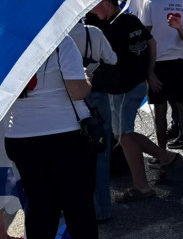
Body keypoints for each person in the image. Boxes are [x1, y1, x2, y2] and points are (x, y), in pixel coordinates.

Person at [90, 0, 183, 203]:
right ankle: (164, 158)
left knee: (124, 135)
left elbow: (107, 58)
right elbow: (151, 43)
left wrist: (149, 73)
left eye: (94, 6)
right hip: (137, 83)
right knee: (123, 134)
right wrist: (149, 72)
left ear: (105, 3)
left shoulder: (111, 27)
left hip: (123, 88)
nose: (92, 11)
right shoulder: (130, 19)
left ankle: (144, 182)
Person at [4, 35, 98, 239]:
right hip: (64, 134)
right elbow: (77, 91)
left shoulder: (3, 44)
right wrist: (87, 79)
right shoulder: (60, 41)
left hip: (20, 135)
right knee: (78, 206)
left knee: (40, 207)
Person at [140, 0, 183, 159]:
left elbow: (146, 34)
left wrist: (148, 71)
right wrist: (178, 28)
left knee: (160, 108)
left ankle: (161, 152)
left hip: (158, 62)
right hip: (182, 61)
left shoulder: (151, 2)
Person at [69, 20, 118, 223]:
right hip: (96, 96)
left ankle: (75, 208)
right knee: (100, 151)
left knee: (71, 155)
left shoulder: (58, 36)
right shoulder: (93, 32)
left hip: (68, 99)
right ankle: (102, 208)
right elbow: (112, 59)